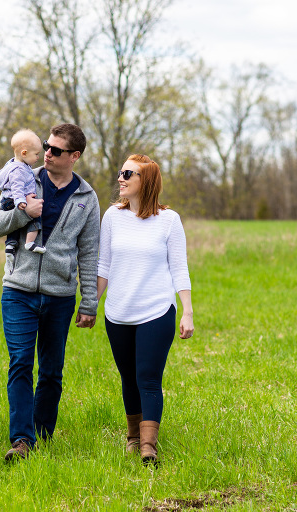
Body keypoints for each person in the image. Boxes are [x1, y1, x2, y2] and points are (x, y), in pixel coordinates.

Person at [0, 123, 100, 462]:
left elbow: (90, 254)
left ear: (74, 157)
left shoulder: (87, 198)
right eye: (46, 147)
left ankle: (42, 435)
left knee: (51, 371)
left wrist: (90, 302)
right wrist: (24, 214)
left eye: (56, 150)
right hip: (18, 291)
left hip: (60, 296)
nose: (47, 153)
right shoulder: (22, 177)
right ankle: (22, 441)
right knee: (20, 363)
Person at [96, 154, 194, 464]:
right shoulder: (112, 216)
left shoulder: (169, 220)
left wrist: (187, 310)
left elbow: (179, 267)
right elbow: (103, 264)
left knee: (148, 377)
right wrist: (89, 305)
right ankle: (133, 437)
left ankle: (149, 446)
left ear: (146, 181)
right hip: (118, 312)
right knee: (128, 377)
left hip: (156, 310)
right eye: (121, 172)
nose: (121, 178)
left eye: (129, 173)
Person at [0, 129, 46, 254]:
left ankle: (10, 245)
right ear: (24, 153)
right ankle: (30, 243)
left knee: (14, 226)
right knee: (35, 217)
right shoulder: (19, 170)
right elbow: (17, 186)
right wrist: (20, 200)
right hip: (14, 200)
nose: (38, 157)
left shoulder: (16, 165)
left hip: (10, 200)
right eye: (36, 154)